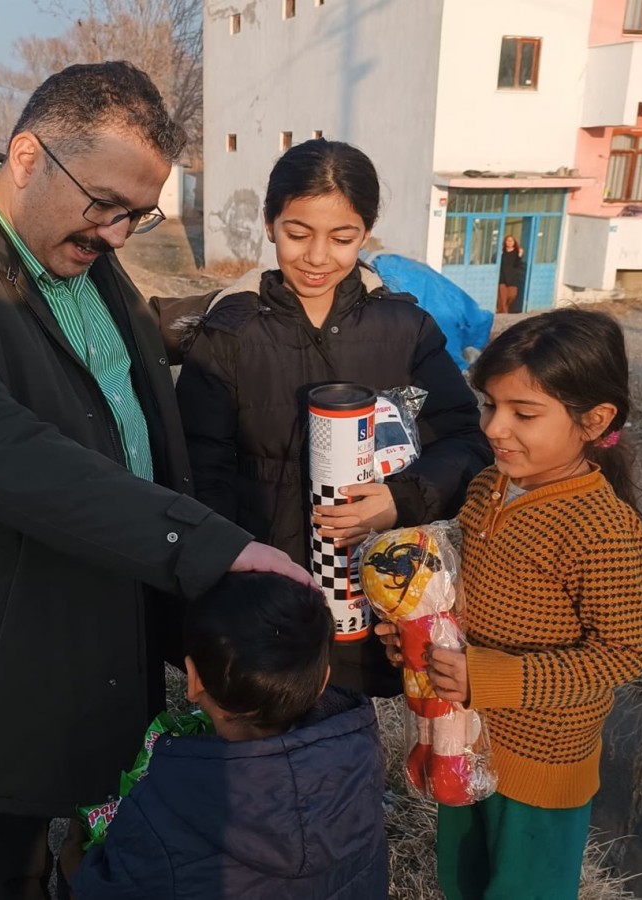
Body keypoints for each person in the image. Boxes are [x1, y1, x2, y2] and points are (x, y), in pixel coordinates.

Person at [0, 61, 311, 900]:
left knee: (108, 842)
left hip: (107, 601)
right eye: (106, 206)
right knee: (13, 858)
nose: (119, 235)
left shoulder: (71, 244)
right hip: (1, 645)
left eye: (139, 213)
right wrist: (206, 545)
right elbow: (7, 453)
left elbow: (109, 343)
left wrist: (226, 312)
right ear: (27, 157)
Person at [165, 139, 491, 696]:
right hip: (265, 600)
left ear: (366, 234)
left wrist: (401, 499)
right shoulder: (231, 334)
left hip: (373, 597)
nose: (318, 257)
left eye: (342, 238)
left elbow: (466, 442)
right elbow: (201, 473)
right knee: (265, 747)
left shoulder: (406, 330)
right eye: (298, 234)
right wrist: (232, 578)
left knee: (344, 749)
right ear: (270, 225)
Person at [377, 307, 642, 900]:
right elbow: (459, 598)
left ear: (594, 420)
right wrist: (421, 638)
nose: (495, 428)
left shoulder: (602, 526)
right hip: (464, 737)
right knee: (463, 879)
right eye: (489, 406)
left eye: (523, 413)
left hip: (541, 766)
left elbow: (621, 656)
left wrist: (488, 676)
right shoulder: (488, 487)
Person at [68, 572, 390, 899]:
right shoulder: (360, 762)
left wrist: (75, 862)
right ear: (324, 680)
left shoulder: (161, 809)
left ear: (193, 681)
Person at [496, 234, 524, 315]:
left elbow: (518, 265)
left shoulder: (517, 252)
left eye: (511, 241)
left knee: (512, 295)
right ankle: (504, 313)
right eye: (508, 241)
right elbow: (496, 262)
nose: (509, 242)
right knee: (502, 297)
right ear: (505, 242)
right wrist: (499, 255)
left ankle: (503, 309)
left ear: (514, 242)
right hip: (503, 277)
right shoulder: (502, 252)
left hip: (512, 278)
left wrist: (519, 256)